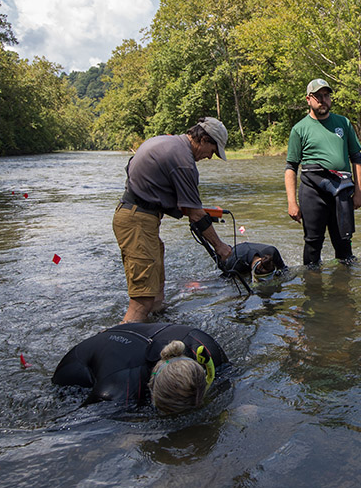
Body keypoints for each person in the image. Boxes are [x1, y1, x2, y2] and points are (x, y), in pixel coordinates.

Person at [113, 118, 233, 323]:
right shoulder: (184, 162)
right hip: (138, 223)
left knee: (156, 293)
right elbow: (195, 214)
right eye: (212, 151)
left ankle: (157, 324)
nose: (209, 157)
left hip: (135, 216)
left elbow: (138, 176)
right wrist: (220, 247)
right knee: (142, 300)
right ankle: (124, 343)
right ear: (203, 139)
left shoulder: (166, 142)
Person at [52, 322, 230, 414]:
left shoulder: (205, 347)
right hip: (79, 361)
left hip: (129, 337)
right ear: (152, 394)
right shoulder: (117, 391)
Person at [284, 78, 361, 267]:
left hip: (342, 189)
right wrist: (291, 202)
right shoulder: (299, 129)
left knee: (344, 242)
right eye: (318, 96)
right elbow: (291, 167)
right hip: (312, 191)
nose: (323, 100)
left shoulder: (343, 123)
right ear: (308, 99)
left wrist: (359, 192)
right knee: (313, 243)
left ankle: (344, 288)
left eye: (326, 95)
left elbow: (357, 158)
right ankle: (313, 288)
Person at [220, 242, 288, 281]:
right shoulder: (236, 265)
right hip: (235, 254)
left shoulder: (272, 252)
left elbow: (284, 270)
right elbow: (224, 278)